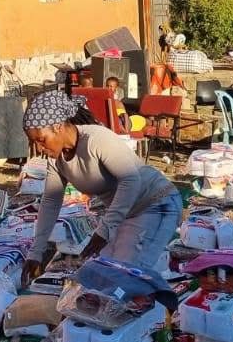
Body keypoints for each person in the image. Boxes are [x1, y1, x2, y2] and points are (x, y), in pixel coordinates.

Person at [21, 89, 181, 279]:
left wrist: (104, 230)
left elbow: (130, 180)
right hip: (126, 213)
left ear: (58, 127)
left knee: (124, 277)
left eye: (41, 140)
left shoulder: (96, 140)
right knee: (99, 276)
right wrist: (36, 253)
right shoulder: (56, 161)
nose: (39, 148)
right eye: (34, 142)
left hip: (156, 204)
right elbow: (50, 202)